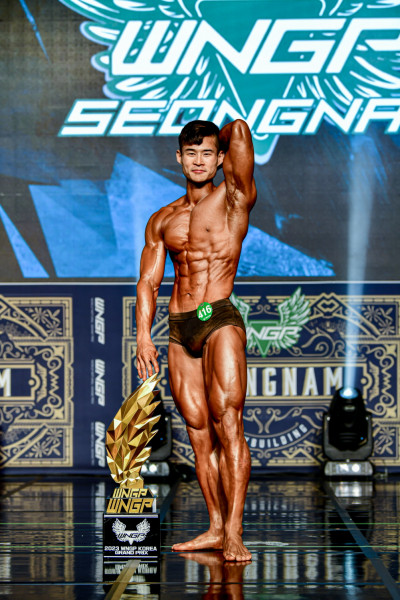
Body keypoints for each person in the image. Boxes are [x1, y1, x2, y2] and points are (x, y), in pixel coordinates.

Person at [135, 119, 257, 562]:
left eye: (207, 153)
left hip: (217, 316)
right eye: (191, 153)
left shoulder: (234, 198)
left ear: (220, 158)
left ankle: (235, 532)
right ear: (179, 158)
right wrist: (143, 336)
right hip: (179, 326)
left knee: (228, 422)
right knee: (199, 433)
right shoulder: (163, 219)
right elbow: (148, 282)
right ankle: (215, 526)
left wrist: (218, 136)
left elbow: (239, 131)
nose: (199, 161)